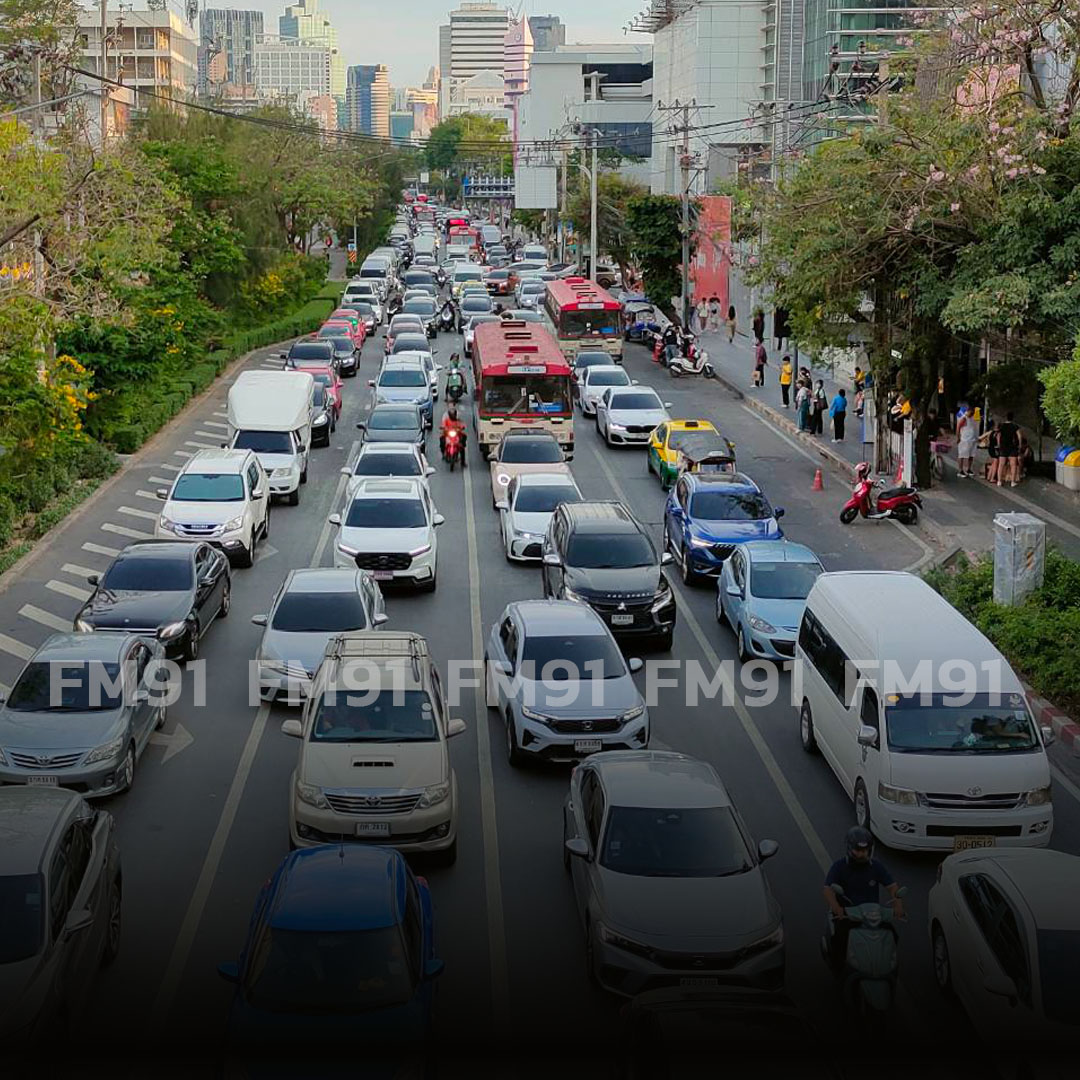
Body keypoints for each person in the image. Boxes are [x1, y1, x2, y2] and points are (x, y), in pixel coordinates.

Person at [823, 827, 904, 972]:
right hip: (848, 916)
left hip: (873, 916)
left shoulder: (876, 867)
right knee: (840, 939)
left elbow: (892, 887)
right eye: (858, 850)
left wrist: (898, 906)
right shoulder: (839, 866)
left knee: (892, 935)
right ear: (850, 849)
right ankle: (840, 969)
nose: (861, 854)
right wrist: (836, 907)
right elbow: (828, 889)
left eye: (865, 850)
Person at [998, 411, 1021, 486]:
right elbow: (1019, 436)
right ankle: (1013, 482)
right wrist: (1020, 445)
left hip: (1003, 446)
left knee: (1001, 464)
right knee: (1013, 465)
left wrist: (999, 444)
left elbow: (998, 435)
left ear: (1006, 417)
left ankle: (999, 481)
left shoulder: (1002, 426)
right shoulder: (1015, 426)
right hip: (1012, 447)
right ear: (1012, 418)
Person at [956, 405, 977, 478]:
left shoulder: (972, 418)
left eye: (973, 413)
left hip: (972, 439)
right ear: (968, 411)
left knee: (971, 455)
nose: (972, 414)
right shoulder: (964, 418)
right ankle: (960, 470)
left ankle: (969, 469)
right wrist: (958, 437)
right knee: (962, 455)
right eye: (971, 413)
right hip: (964, 440)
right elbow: (958, 427)